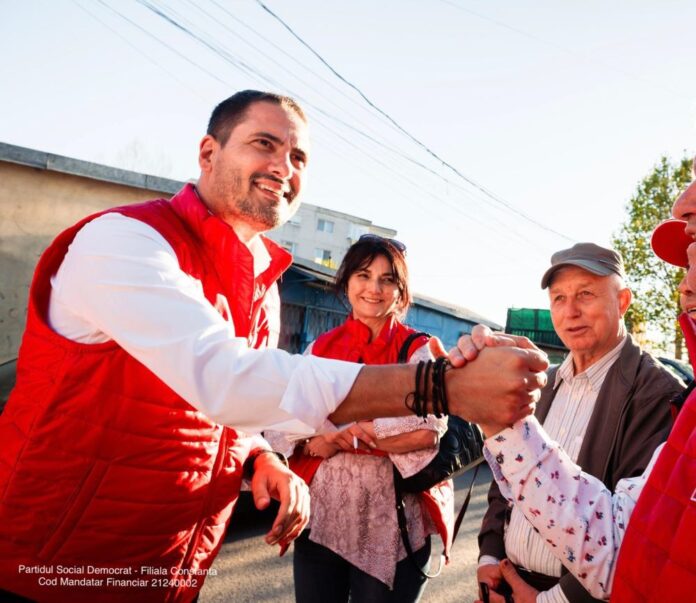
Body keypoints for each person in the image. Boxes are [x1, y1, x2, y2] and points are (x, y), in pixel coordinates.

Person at [0, 90, 548, 603]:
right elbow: (228, 381)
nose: (284, 167)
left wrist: (260, 457)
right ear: (208, 153)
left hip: (171, 569)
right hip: (51, 565)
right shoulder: (125, 239)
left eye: (299, 156)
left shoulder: (263, 282)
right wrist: (441, 386)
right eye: (264, 143)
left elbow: (243, 416)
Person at [459, 184, 696, 603]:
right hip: (508, 580)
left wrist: (547, 601)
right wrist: (489, 557)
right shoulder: (542, 381)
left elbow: (632, 535)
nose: (570, 311)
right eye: (559, 298)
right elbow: (504, 481)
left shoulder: (659, 392)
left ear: (622, 301)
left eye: (585, 294)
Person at [267, 235, 453, 602]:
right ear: (347, 281)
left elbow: (427, 432)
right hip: (323, 519)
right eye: (364, 275)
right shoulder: (320, 349)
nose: (374, 289)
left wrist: (341, 437)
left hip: (393, 526)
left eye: (388, 279)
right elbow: (282, 425)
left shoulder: (419, 351)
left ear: (401, 291)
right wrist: (319, 440)